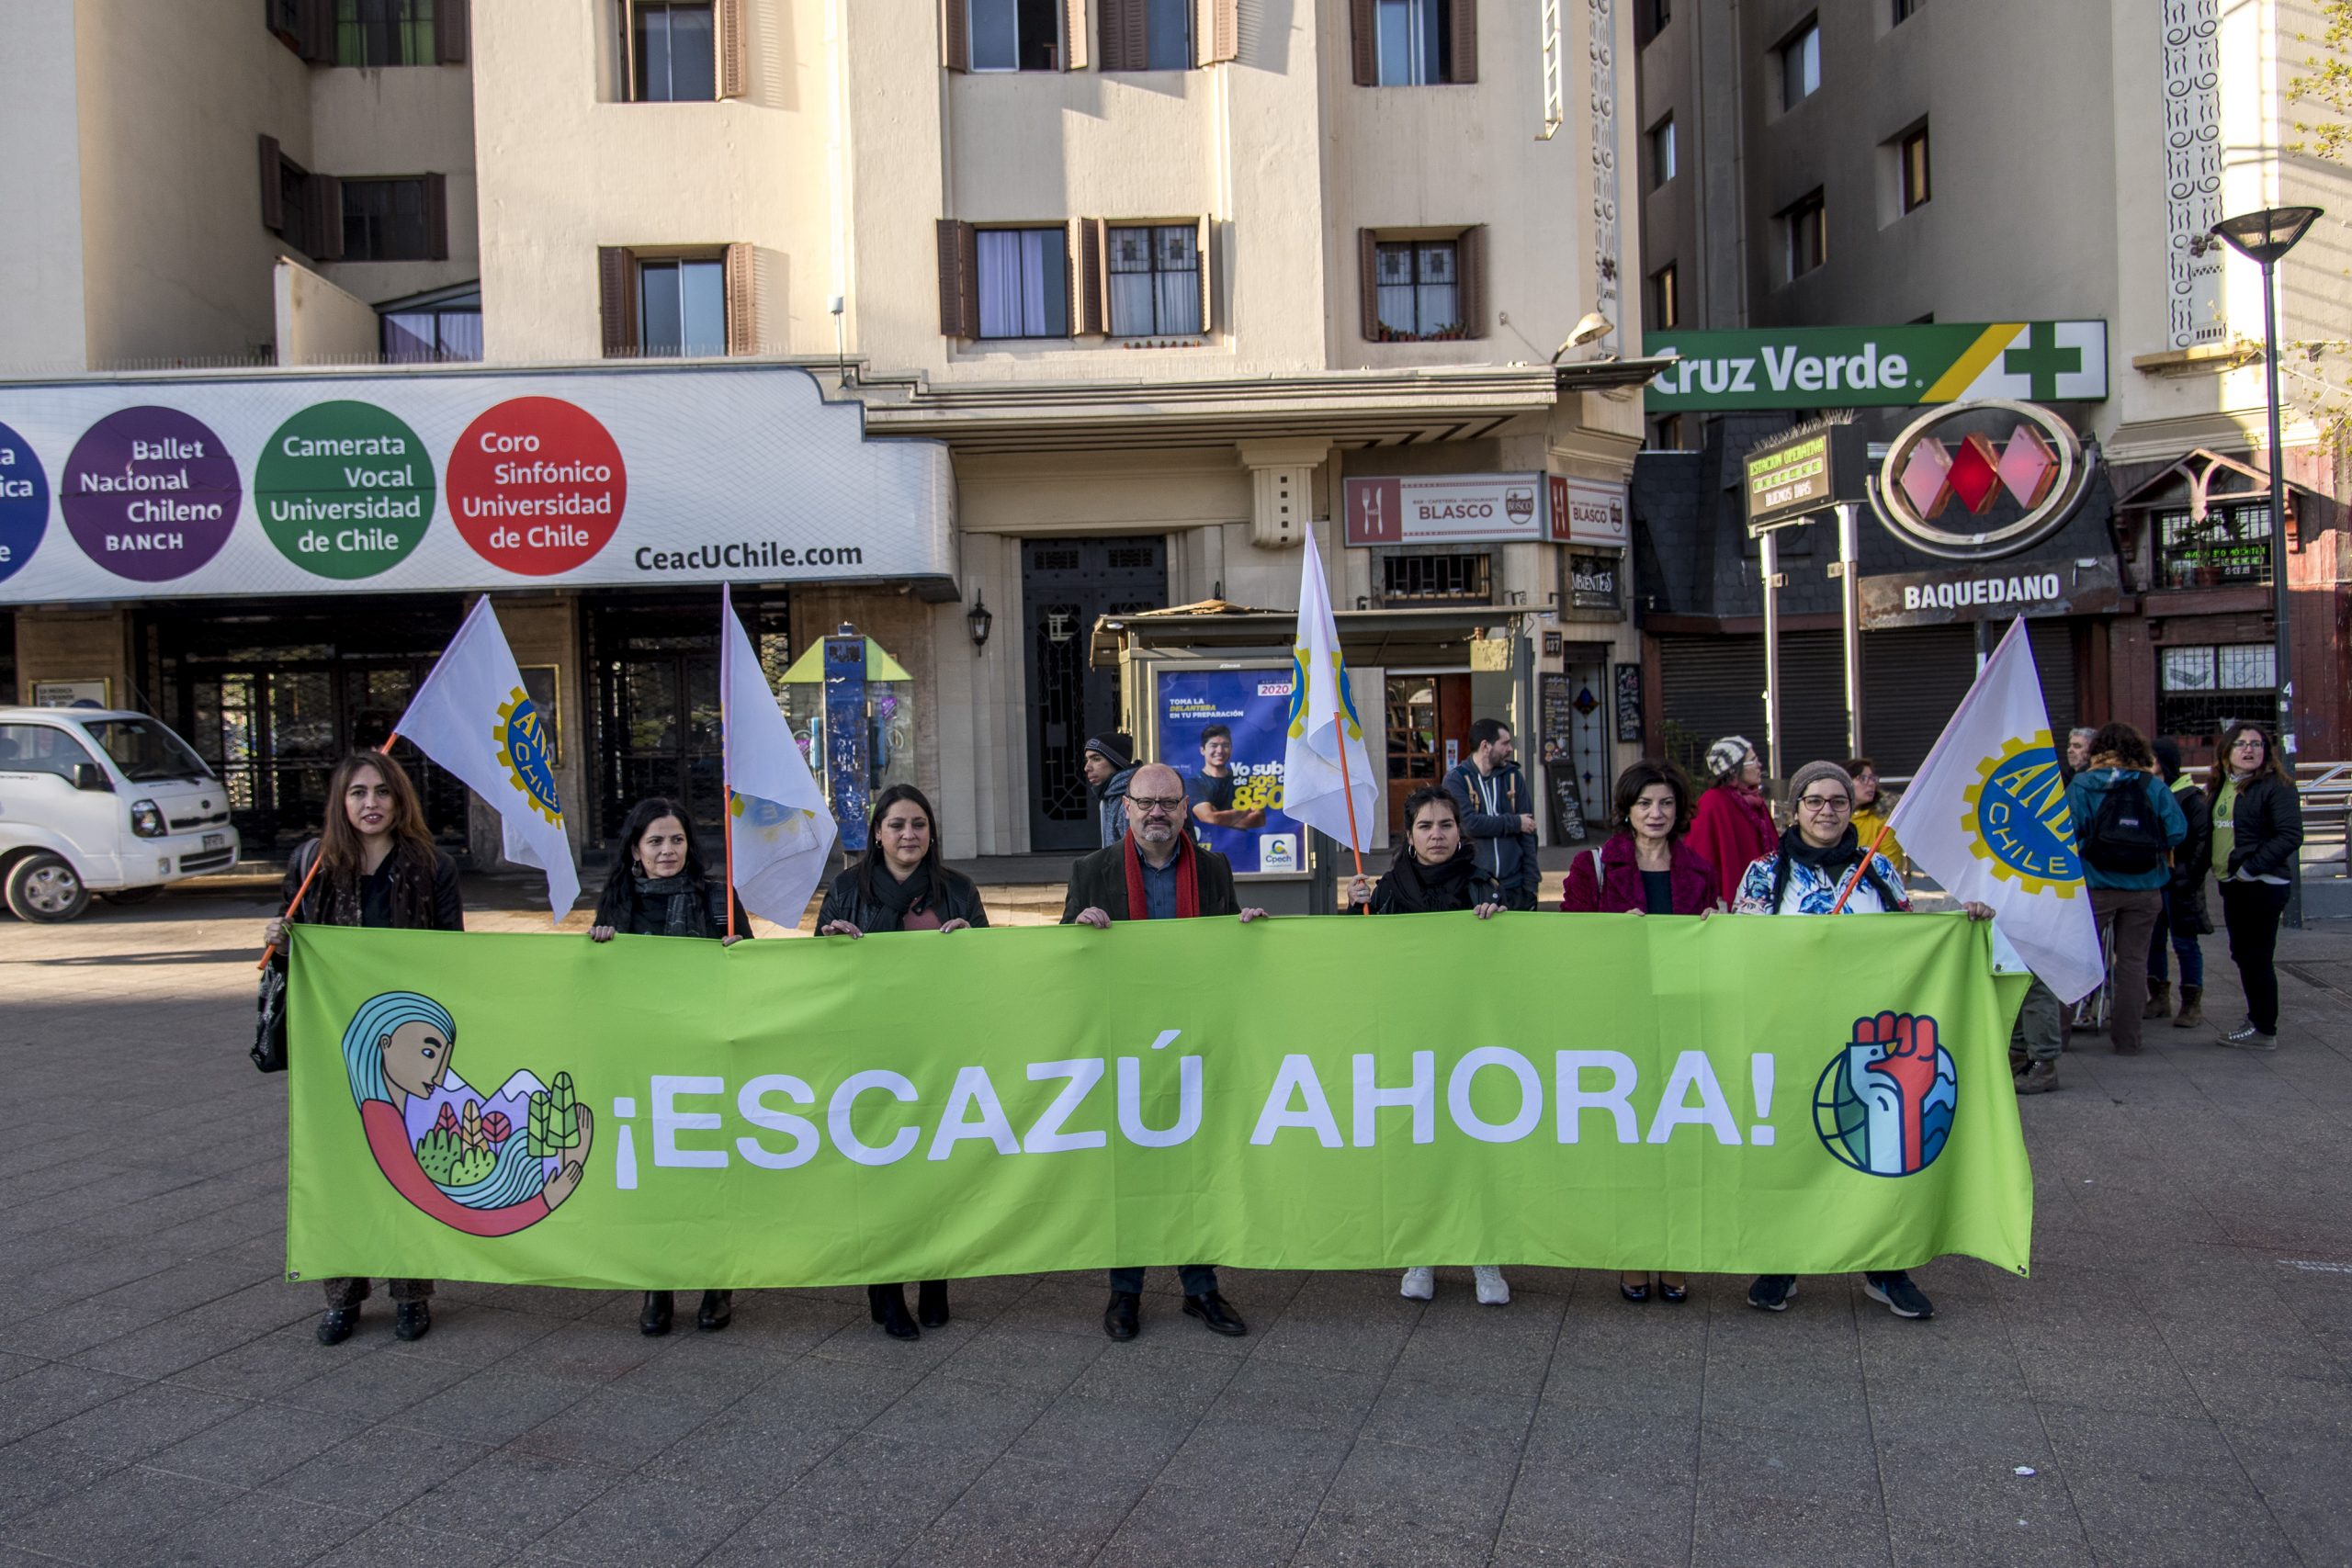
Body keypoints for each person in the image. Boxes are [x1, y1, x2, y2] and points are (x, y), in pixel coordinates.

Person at [1734, 761, 1994, 1320]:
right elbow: (1741, 950)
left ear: (1851, 809)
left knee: (1874, 1149)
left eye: (1838, 801)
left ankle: (1884, 1266)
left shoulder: (1878, 871)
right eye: (1814, 800)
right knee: (1790, 1148)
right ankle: (1784, 1258)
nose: (1826, 810)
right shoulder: (1763, 873)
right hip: (1790, 1033)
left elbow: (1910, 941)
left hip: (1865, 1040)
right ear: (1794, 807)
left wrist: (1960, 917)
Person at [264, 750, 464, 1347]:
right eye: (357, 793)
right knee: (338, 1172)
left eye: (381, 791)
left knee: (404, 1163)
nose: (370, 803)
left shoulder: (432, 865)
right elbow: (292, 954)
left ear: (400, 799)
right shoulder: (313, 864)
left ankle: (411, 1293)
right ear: (340, 803)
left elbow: (455, 953)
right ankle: (343, 1297)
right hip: (334, 1044)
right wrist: (278, 940)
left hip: (405, 1047)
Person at [1064, 761, 1266, 1341]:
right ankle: (1124, 1292)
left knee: (1194, 1165)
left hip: (1194, 1041)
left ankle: (1199, 1287)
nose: (1157, 813)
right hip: (1124, 1044)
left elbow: (1229, 947)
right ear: (1125, 807)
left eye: (1169, 803)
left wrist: (1246, 927)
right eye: (1145, 802)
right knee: (1130, 1166)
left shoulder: (1212, 868)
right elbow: (1064, 956)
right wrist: (1078, 926)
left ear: (1184, 809)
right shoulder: (1091, 870)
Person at [818, 784, 990, 1337]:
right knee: (882, 1174)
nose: (908, 835)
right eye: (896, 825)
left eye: (918, 824)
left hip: (938, 1049)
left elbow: (992, 970)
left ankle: (935, 1276)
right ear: (877, 834)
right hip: (872, 1054)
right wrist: (833, 944)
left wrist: (971, 946)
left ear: (931, 832)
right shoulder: (847, 889)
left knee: (935, 1170)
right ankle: (886, 1292)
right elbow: (817, 974)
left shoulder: (958, 890)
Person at [1561, 759, 1722, 1303]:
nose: (1656, 813)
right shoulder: (1594, 865)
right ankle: (1633, 1250)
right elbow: (1570, 941)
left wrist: (1715, 929)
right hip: (1618, 1019)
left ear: (1680, 811)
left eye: (1666, 804)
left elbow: (1716, 949)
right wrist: (1608, 934)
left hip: (1681, 1017)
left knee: (1678, 1138)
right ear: (1626, 811)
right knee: (1627, 1138)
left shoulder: (1699, 869)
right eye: (1645, 804)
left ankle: (1673, 1251)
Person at [589, 797, 748, 1337]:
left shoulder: (718, 898)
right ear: (635, 849)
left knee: (708, 1173)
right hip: (646, 1063)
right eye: (655, 841)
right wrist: (599, 952)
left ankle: (714, 1282)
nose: (667, 850)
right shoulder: (617, 904)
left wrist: (736, 952)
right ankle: (658, 1287)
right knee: (655, 1178)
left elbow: (753, 971)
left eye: (676, 840)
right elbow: (597, 989)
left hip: (706, 1060)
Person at [1345, 787, 1509, 1305]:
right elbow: (1364, 963)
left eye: (1445, 825)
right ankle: (1422, 1254)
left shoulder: (1485, 885)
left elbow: (1511, 964)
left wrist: (1499, 926)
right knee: (1419, 1142)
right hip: (1411, 1034)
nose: (1436, 835)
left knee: (1477, 1144)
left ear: (1461, 831)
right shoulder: (1388, 889)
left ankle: (1486, 1255)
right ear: (1409, 835)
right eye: (1425, 826)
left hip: (1472, 1035)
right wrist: (1357, 913)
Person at [2064, 722, 2186, 1057]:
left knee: (2074, 960)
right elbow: (2177, 831)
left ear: (2096, 750)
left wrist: (2093, 845)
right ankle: (2128, 1041)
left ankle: (2055, 1039)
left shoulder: (2083, 784)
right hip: (2146, 887)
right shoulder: (2152, 785)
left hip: (2095, 886)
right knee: (2133, 963)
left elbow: (2068, 832)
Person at [2207, 722, 2303, 1050]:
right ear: (2226, 752)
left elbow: (2290, 835)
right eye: (2242, 744)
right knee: (2244, 955)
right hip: (2232, 883)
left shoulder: (2277, 786)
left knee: (2256, 957)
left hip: (2260, 884)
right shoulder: (2224, 785)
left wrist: (2250, 868)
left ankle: (2264, 1028)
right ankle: (2258, 1019)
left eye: (2257, 744)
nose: (2249, 750)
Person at [2144, 739, 2212, 1028]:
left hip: (2181, 881)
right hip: (2153, 878)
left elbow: (2201, 843)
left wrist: (2188, 877)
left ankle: (2191, 1004)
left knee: (2185, 942)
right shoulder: (2145, 790)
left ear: (2163, 760)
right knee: (2153, 940)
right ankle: (2159, 998)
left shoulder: (2189, 796)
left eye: (2151, 757)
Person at [1442, 718, 1542, 911]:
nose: (1510, 748)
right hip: (1474, 886)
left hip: (1515, 887)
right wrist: (1515, 823)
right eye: (1504, 743)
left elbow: (1528, 832)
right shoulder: (1455, 780)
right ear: (1485, 746)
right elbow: (1470, 824)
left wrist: (1531, 886)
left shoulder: (1513, 777)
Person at [1687, 736, 1777, 897]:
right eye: (1753, 760)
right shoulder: (1713, 802)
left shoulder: (1755, 802)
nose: (1759, 765)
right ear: (1734, 770)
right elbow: (1701, 854)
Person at [1188, 724, 1267, 833]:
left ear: (1231, 749)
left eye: (1225, 745)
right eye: (1214, 745)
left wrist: (1219, 818)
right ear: (1202, 750)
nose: (1220, 750)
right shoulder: (1193, 783)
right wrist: (1245, 811)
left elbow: (1260, 819)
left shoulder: (1245, 782)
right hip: (1207, 847)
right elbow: (1209, 818)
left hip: (1243, 846)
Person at [1846, 757, 1907, 877]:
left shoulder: (1883, 821)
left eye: (1873, 778)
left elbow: (1890, 869)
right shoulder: (1830, 818)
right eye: (1862, 778)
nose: (1871, 783)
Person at [1082, 733, 1138, 848]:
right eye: (1087, 760)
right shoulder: (1109, 797)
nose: (1087, 767)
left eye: (1096, 759)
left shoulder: (1129, 802)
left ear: (1117, 762)